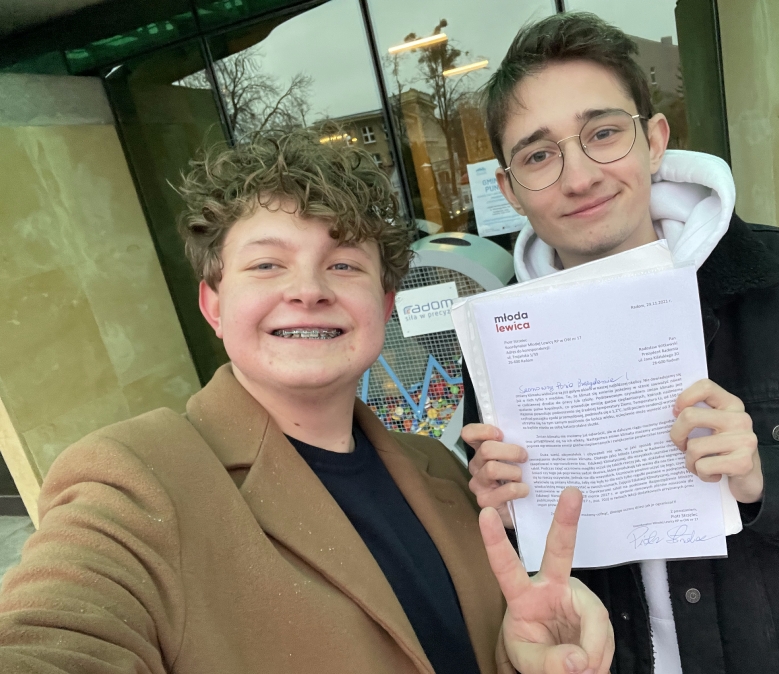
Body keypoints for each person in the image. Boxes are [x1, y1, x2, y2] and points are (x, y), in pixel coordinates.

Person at [0, 130, 613, 674]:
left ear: (385, 306)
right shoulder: (135, 484)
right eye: (268, 264)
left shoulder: (440, 467)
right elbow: (54, 639)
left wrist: (525, 655)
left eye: (343, 265)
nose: (309, 290)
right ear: (214, 305)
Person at [462, 12, 779, 674]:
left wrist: (765, 476)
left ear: (654, 140)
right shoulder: (498, 349)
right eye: (538, 155)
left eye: (602, 133)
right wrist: (500, 510)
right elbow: (509, 565)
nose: (578, 177)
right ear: (509, 189)